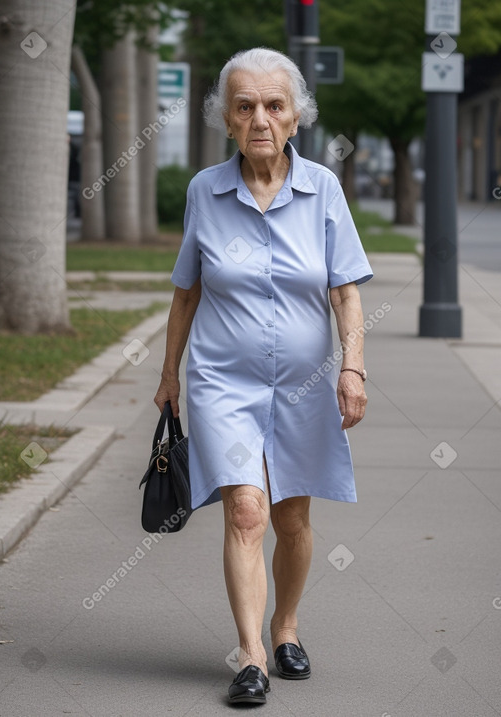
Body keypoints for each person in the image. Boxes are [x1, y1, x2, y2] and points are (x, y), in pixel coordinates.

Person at [154, 47, 373, 705]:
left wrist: (354, 365)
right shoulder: (205, 191)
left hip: (305, 383)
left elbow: (346, 291)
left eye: (274, 105)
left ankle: (285, 625)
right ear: (226, 117)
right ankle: (250, 655)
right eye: (244, 106)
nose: (260, 119)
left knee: (292, 515)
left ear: (296, 116)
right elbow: (187, 292)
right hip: (225, 380)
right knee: (246, 510)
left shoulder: (323, 190)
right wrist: (169, 375)